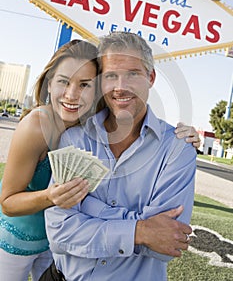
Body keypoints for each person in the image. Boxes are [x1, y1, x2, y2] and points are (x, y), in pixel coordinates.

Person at [45, 32, 197, 281]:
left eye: (133, 74)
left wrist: (89, 207)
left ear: (151, 78)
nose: (121, 86)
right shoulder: (74, 139)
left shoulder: (178, 149)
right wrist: (141, 229)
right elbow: (60, 232)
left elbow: (167, 245)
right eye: (111, 76)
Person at [0, 39, 100, 281]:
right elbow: (7, 203)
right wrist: (49, 197)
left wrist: (183, 136)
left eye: (84, 85)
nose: (72, 94)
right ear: (49, 83)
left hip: (57, 246)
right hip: (14, 245)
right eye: (64, 82)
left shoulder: (93, 125)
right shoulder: (35, 126)